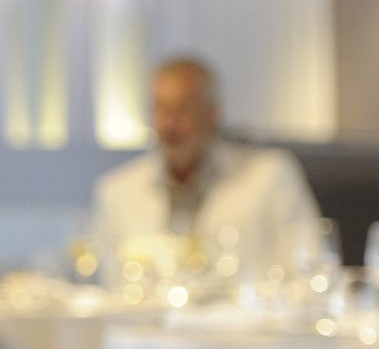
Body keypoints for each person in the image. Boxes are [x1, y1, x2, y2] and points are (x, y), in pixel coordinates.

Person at [94, 56, 319, 272]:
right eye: (161, 109)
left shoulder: (270, 176)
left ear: (212, 114)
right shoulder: (117, 190)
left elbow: (311, 267)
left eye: (182, 109)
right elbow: (115, 284)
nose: (170, 125)